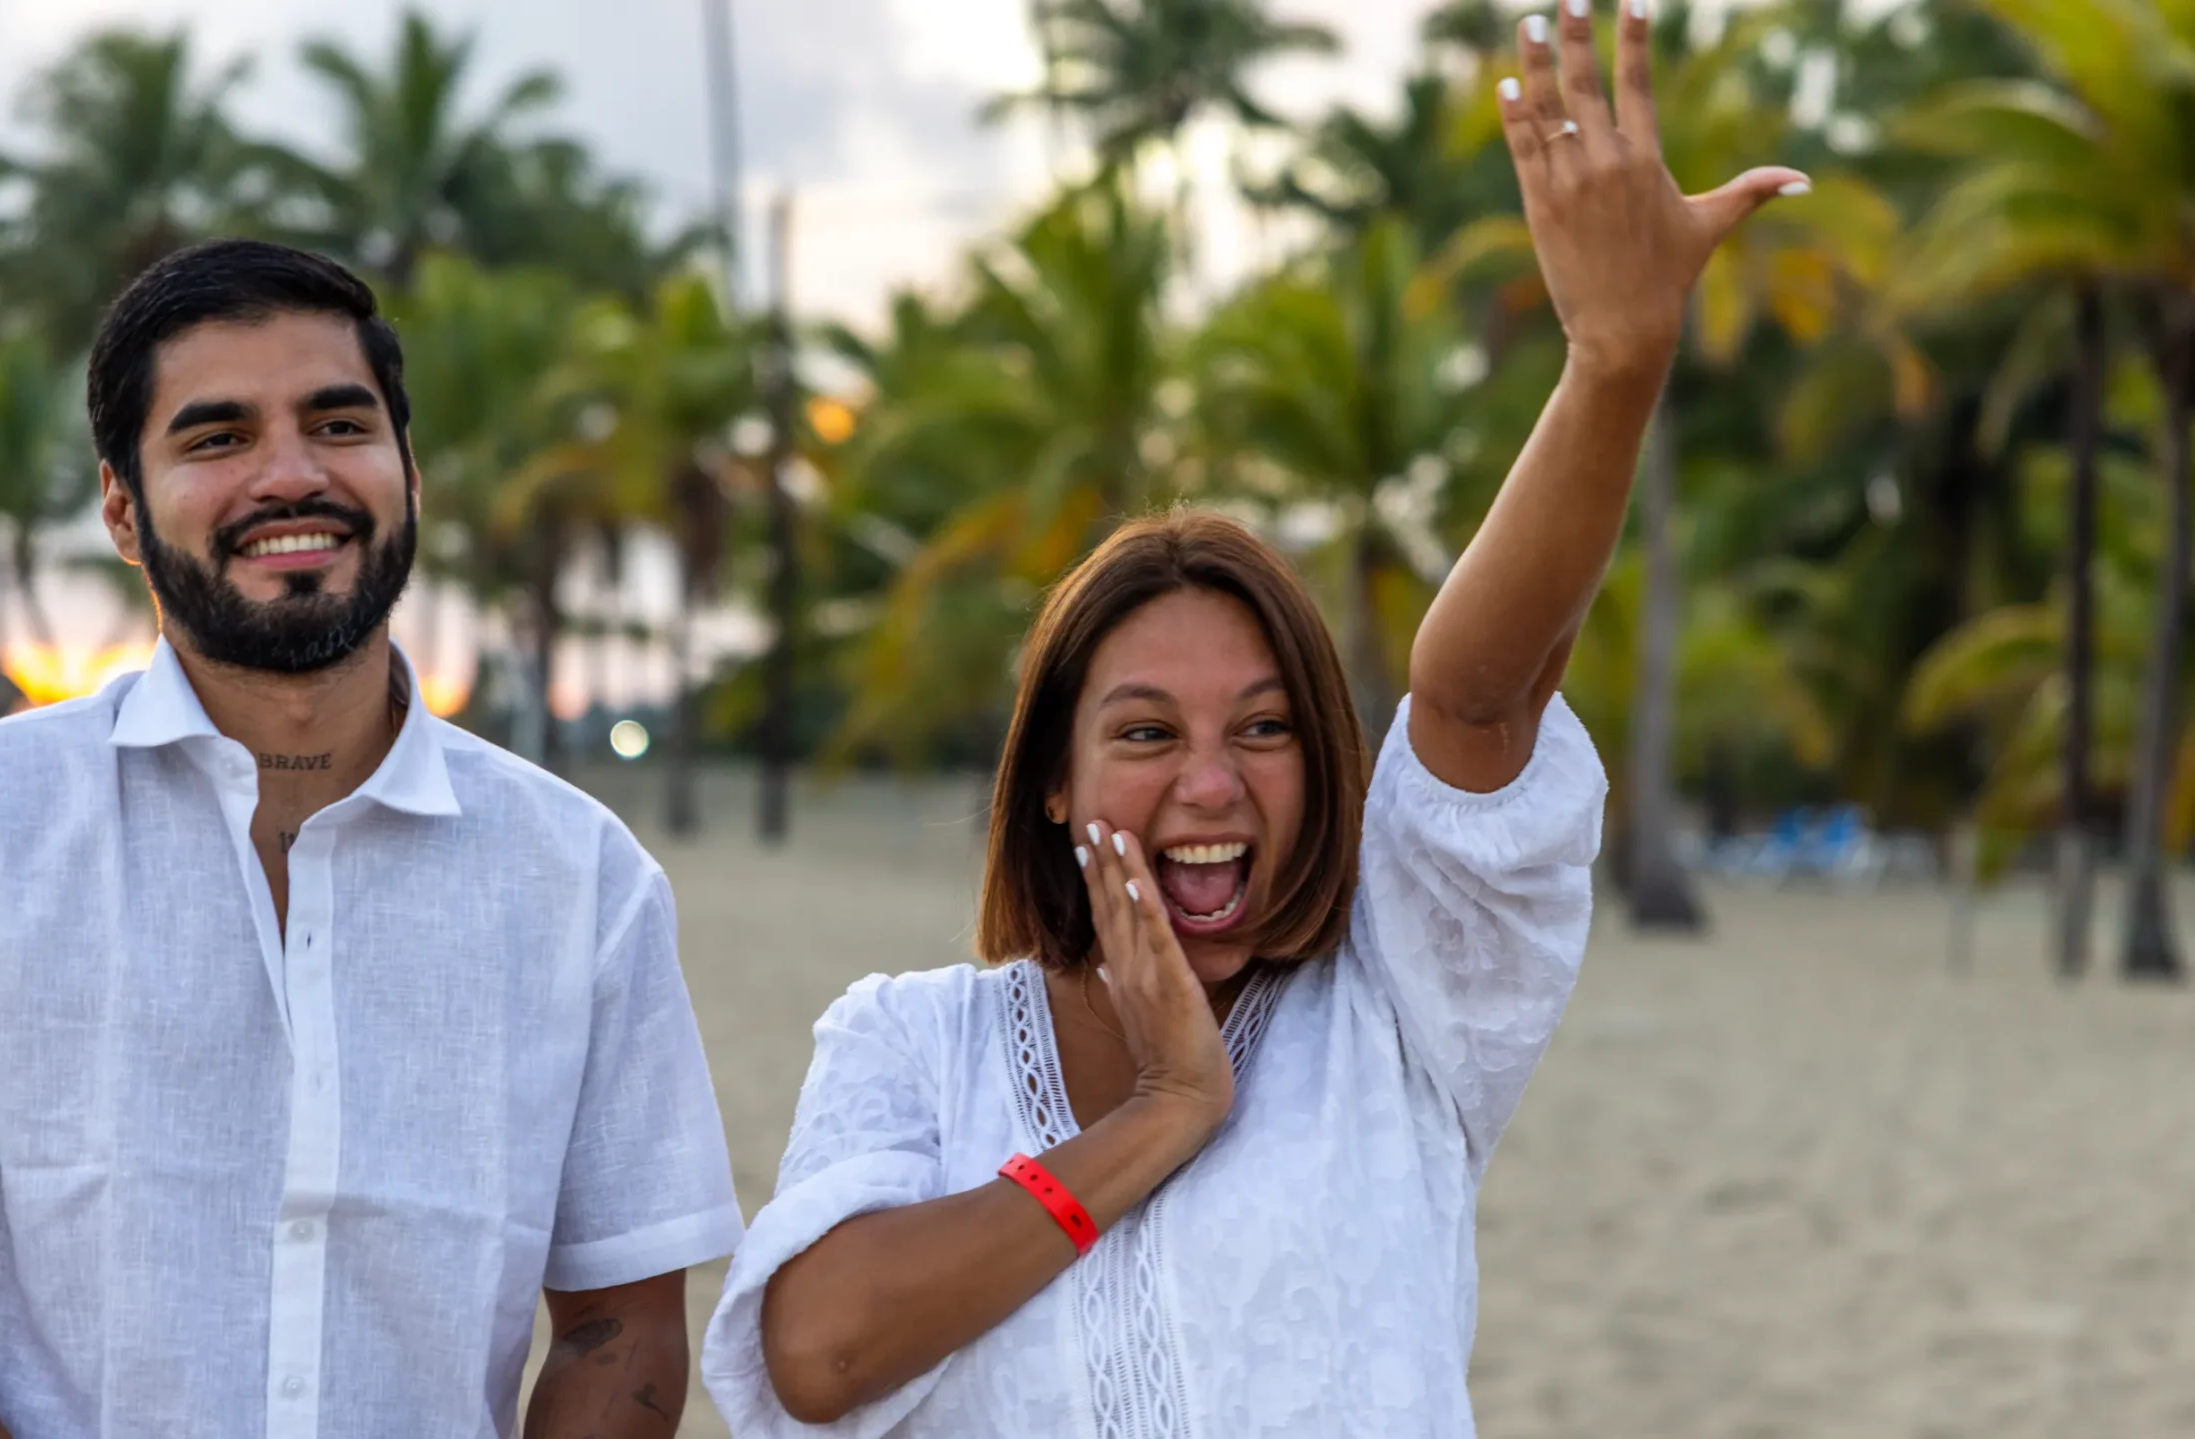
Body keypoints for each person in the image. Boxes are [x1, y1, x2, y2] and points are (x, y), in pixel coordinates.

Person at [701, 8, 1804, 1436]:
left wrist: (1614, 358)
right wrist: (1161, 1113)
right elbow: (822, 1351)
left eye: (1267, 728)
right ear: (1052, 777)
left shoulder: (1400, 1001)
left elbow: (1473, 685)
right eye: (1147, 734)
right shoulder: (914, 1043)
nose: (1211, 781)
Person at [0, 238, 742, 1439]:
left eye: (338, 424)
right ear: (123, 508)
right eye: (216, 438)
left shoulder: (583, 878)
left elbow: (619, 1324)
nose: (290, 476)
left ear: (409, 473)